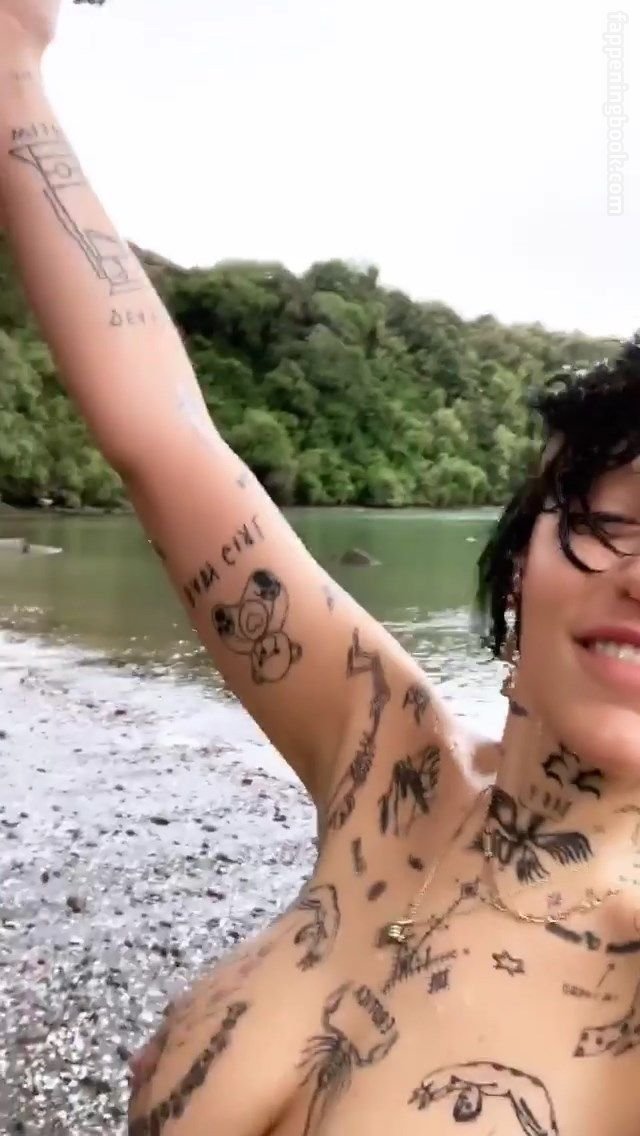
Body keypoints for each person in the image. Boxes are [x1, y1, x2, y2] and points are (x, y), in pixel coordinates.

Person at [1, 3, 639, 1134]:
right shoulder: (388, 762)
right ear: (516, 572)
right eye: (612, 522)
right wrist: (13, 63)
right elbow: (165, 439)